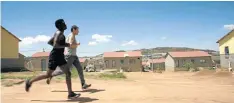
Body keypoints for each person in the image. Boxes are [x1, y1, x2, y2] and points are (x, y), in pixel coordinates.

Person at [25, 19, 80, 99]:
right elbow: (55, 45)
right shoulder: (59, 33)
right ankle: (29, 82)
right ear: (60, 25)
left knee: (68, 73)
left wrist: (62, 45)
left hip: (59, 56)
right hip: (54, 56)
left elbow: (50, 42)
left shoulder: (58, 33)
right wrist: (68, 45)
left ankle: (70, 93)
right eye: (63, 23)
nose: (65, 24)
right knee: (48, 75)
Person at [46, 25, 91, 90]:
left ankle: (83, 84)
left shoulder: (72, 36)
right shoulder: (71, 36)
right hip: (70, 56)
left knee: (80, 69)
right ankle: (51, 75)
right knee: (63, 71)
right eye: (77, 30)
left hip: (74, 56)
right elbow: (70, 45)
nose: (78, 31)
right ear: (74, 30)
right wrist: (77, 44)